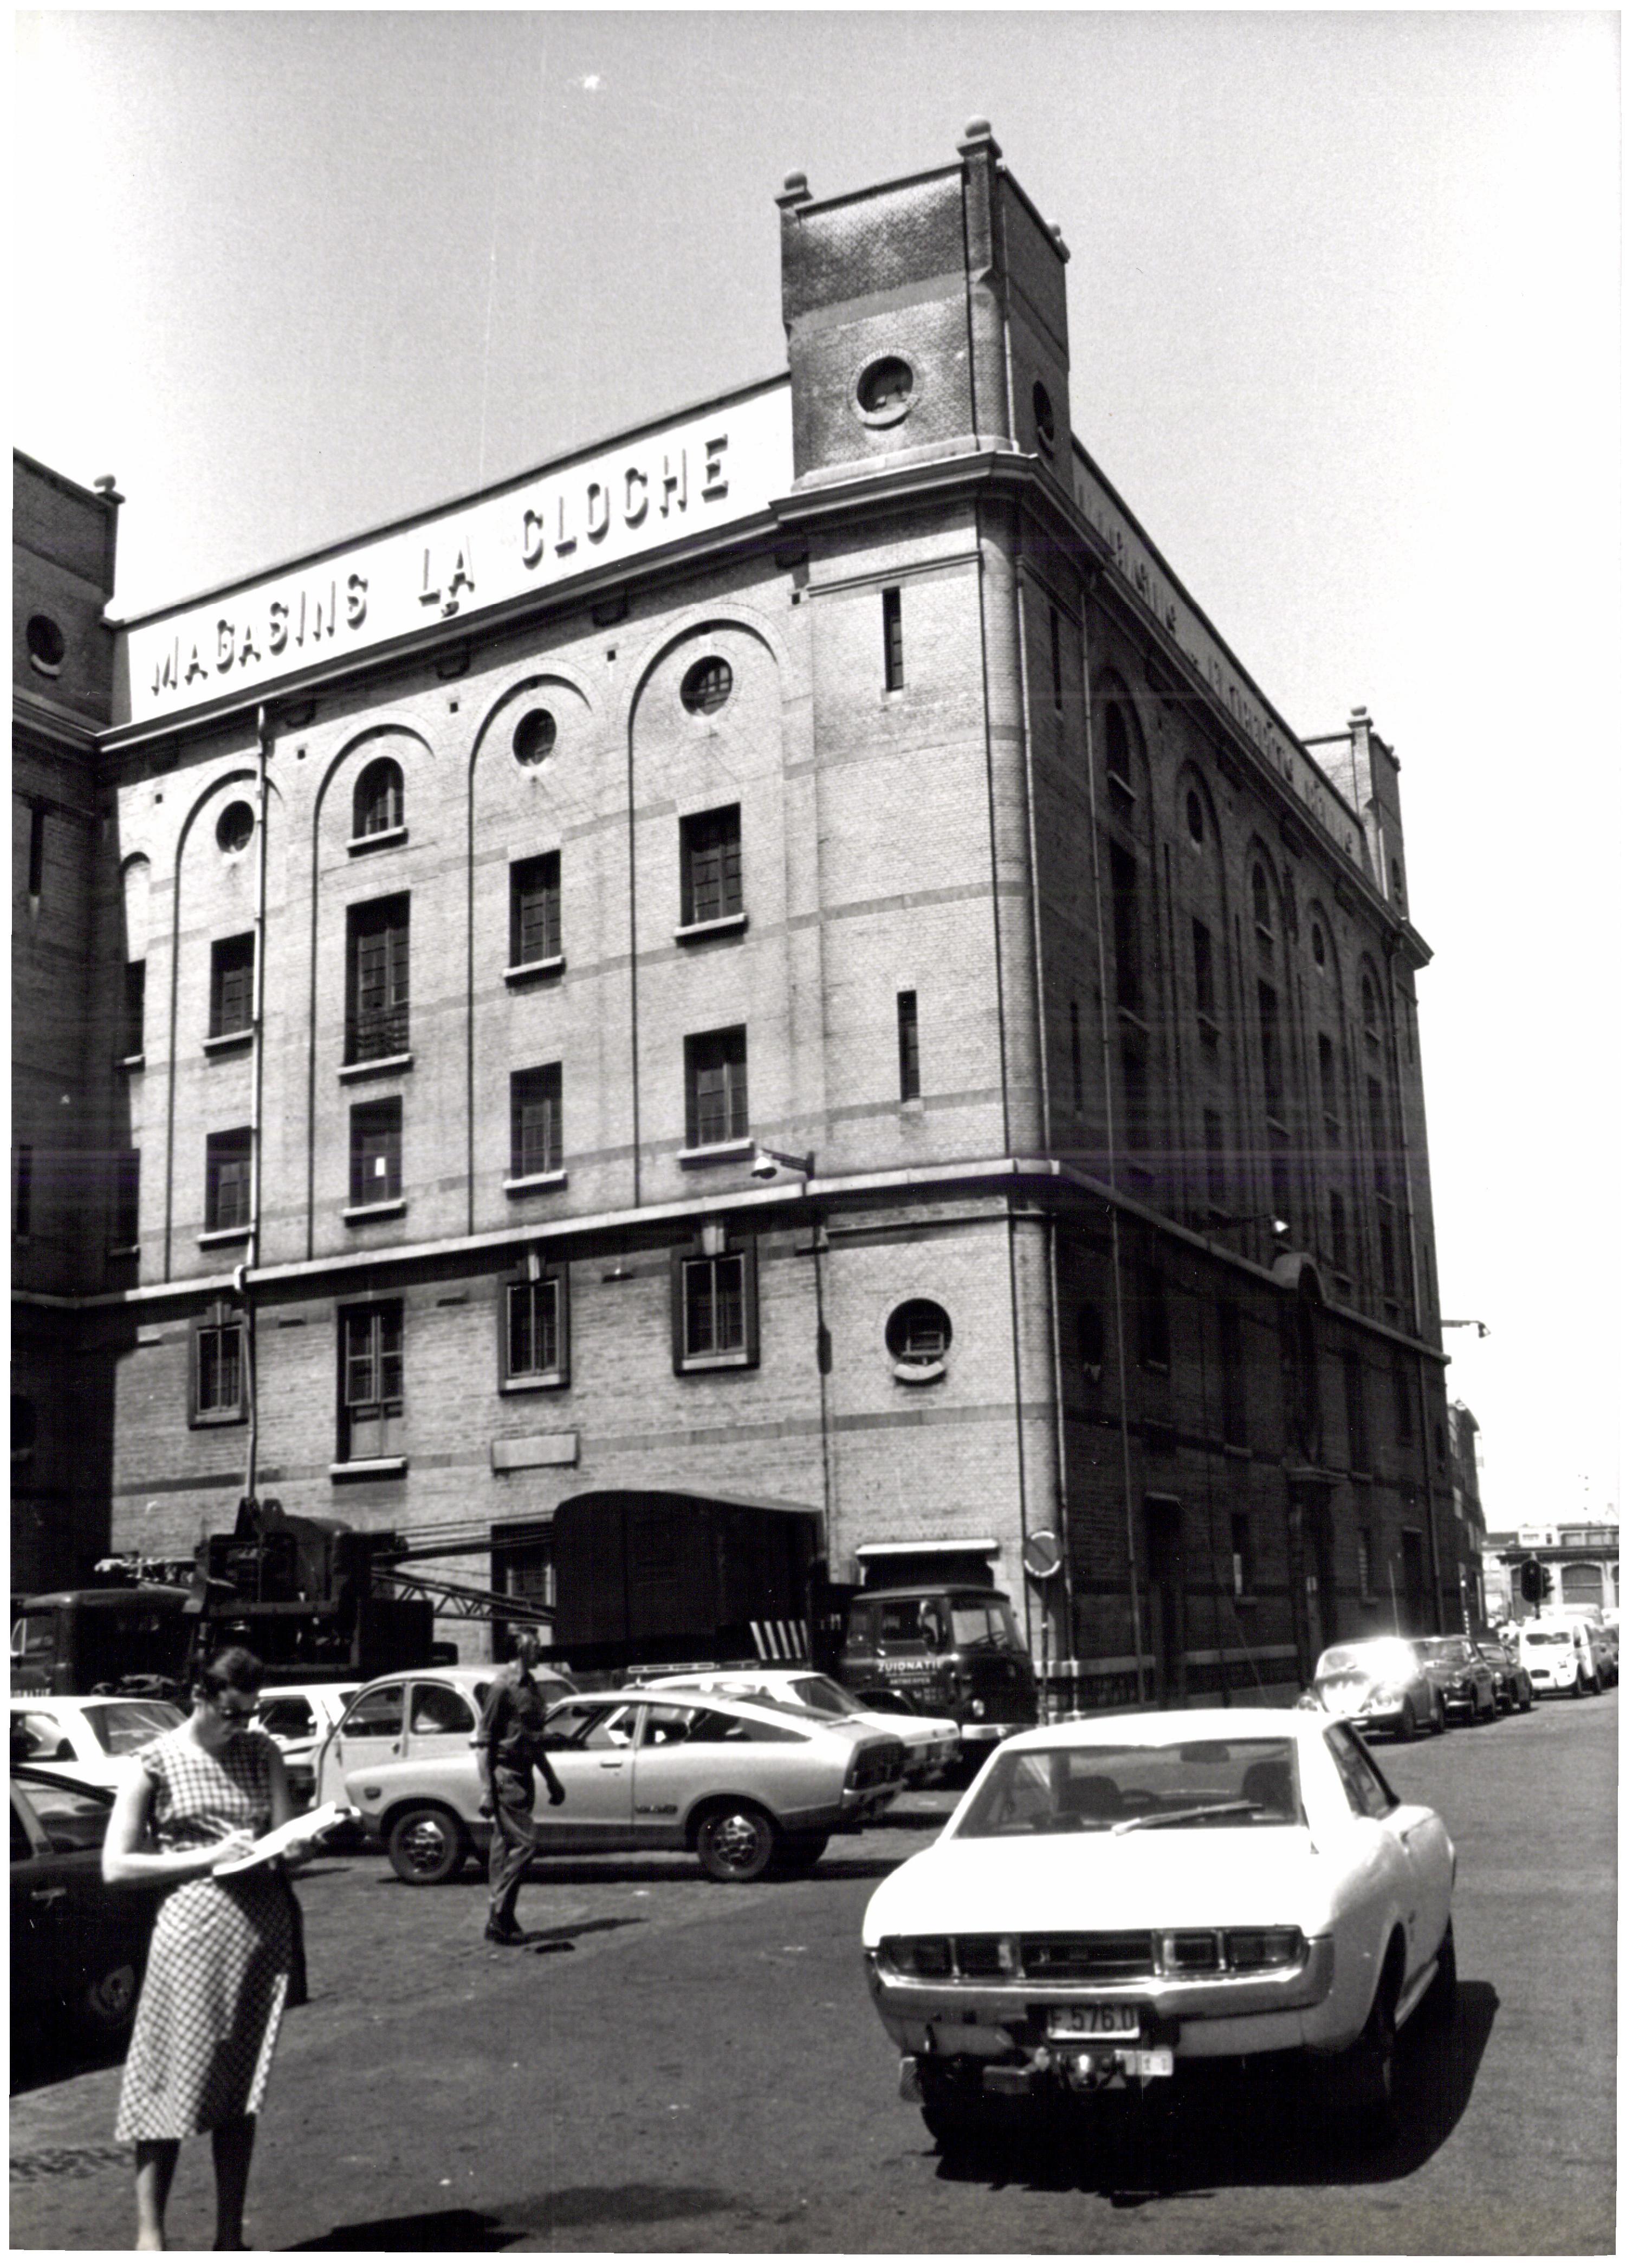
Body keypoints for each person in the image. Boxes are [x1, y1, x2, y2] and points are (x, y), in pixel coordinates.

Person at [102, 1645, 307, 2250]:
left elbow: (283, 1835)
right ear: (200, 1697)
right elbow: (117, 1865)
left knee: (241, 2088)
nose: (241, 1725)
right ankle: (151, 2238)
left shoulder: (261, 1752)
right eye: (232, 1713)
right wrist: (206, 1857)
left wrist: (299, 1845)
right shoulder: (154, 1762)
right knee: (167, 2079)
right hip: (191, 1937)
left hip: (258, 1937)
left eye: (250, 1713)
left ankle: (228, 2238)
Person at [476, 1629, 565, 1943]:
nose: (540, 1649)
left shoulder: (530, 1686)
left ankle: (502, 1919)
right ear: (520, 1649)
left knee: (504, 1848)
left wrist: (551, 1779)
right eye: (535, 1645)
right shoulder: (502, 1687)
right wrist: (487, 1791)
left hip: (524, 1775)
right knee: (527, 1844)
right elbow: (484, 1744)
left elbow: (531, 1739)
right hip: (506, 1777)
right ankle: (498, 1909)